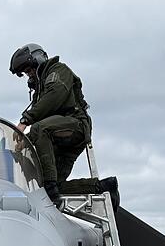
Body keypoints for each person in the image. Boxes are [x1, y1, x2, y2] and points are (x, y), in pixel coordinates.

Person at [9, 43, 119, 209]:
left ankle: (51, 192)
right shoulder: (40, 90)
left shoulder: (58, 71)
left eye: (29, 69)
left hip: (75, 125)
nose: (29, 74)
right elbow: (43, 125)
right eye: (25, 73)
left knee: (39, 128)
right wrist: (26, 141)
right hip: (58, 138)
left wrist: (25, 121)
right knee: (50, 188)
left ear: (38, 60)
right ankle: (104, 187)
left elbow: (55, 97)